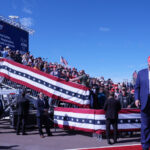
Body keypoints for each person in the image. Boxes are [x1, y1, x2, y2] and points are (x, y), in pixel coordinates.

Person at [135, 56, 150, 150]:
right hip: (145, 102)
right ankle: (145, 146)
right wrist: (136, 98)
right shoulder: (141, 73)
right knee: (145, 126)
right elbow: (137, 87)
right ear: (148, 62)